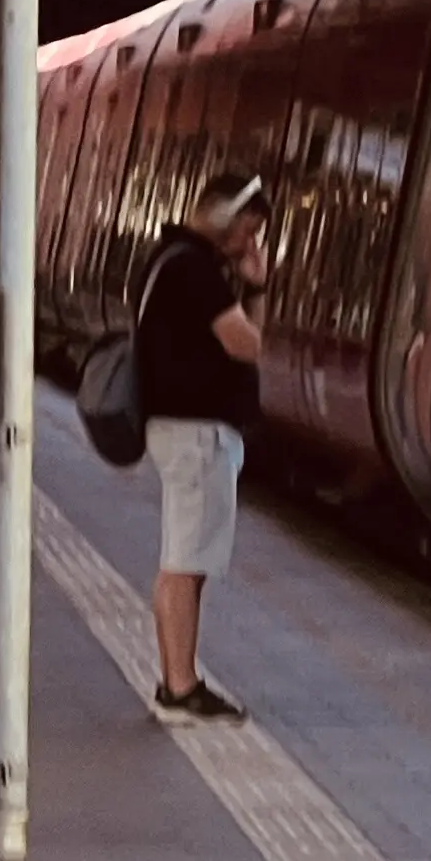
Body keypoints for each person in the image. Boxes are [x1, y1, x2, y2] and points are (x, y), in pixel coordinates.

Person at [136, 171, 269, 723]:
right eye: (246, 232)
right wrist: (256, 288)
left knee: (183, 561)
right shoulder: (193, 269)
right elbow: (247, 344)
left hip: (183, 433)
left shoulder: (170, 260)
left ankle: (178, 680)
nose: (248, 246)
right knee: (186, 563)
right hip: (195, 436)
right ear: (220, 217)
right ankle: (181, 686)